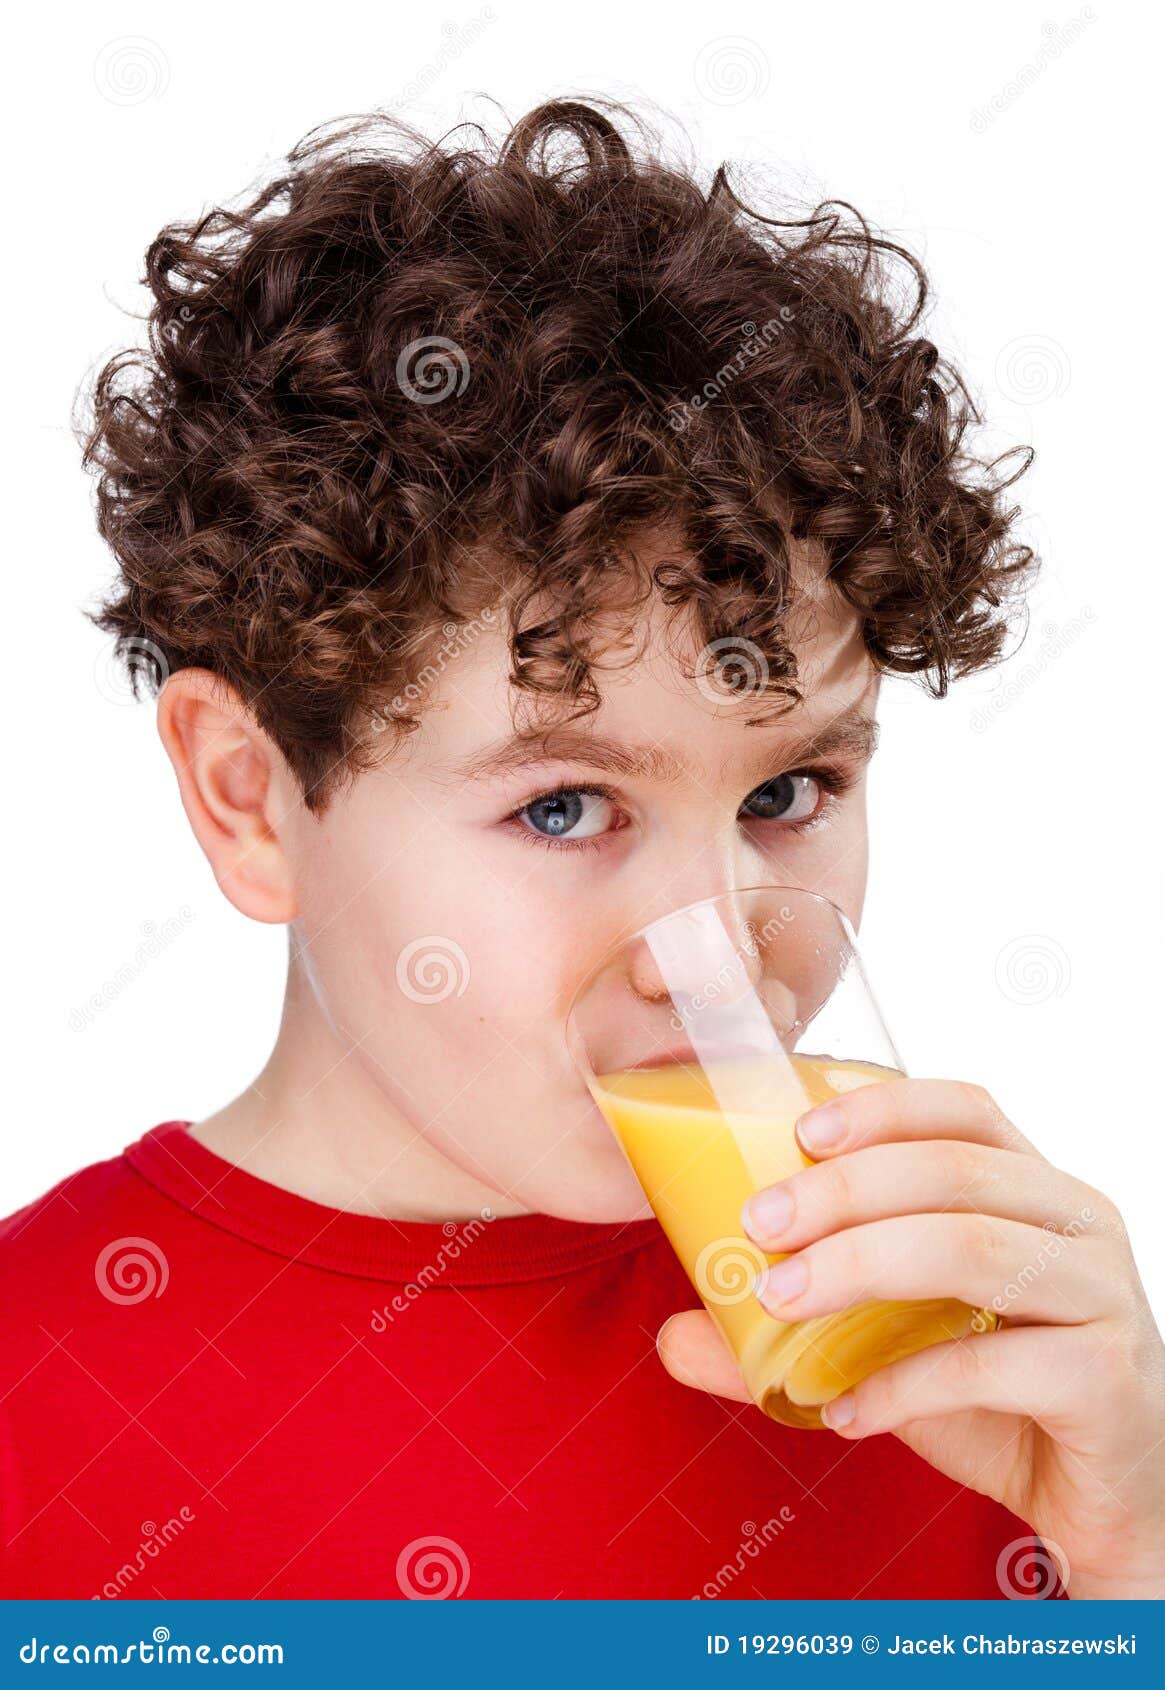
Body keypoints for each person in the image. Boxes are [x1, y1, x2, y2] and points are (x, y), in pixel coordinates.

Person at [2, 98, 1161, 1601]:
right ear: (247, 795)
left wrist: (1132, 1565)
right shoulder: (37, 1390)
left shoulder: (970, 1371)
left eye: (788, 791)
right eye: (562, 808)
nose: (722, 949)